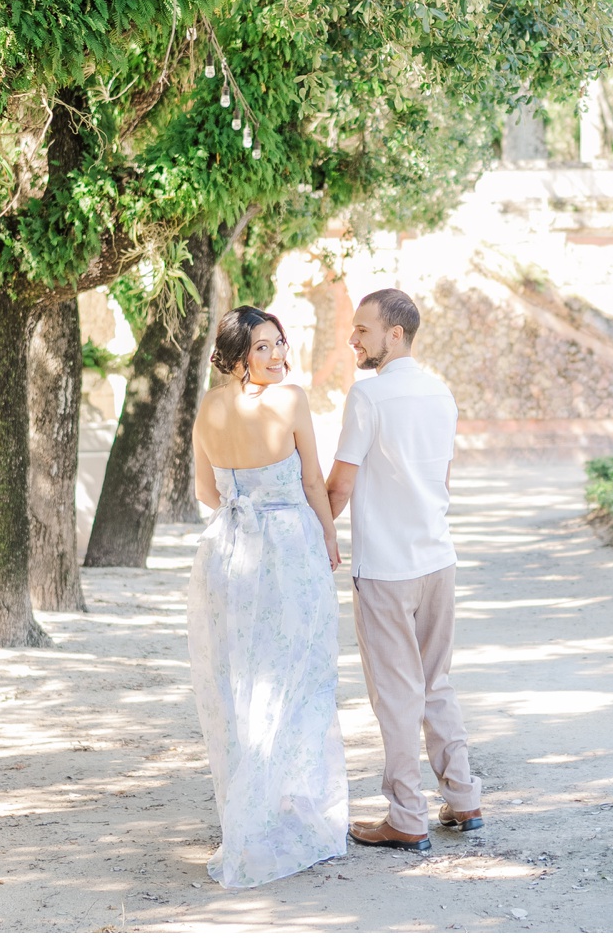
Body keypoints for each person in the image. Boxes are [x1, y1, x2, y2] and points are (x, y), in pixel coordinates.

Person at [186, 305, 348, 888]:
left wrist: (242, 506)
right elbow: (311, 481)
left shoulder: (207, 407)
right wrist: (329, 535)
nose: (278, 355)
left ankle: (246, 815)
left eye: (279, 344)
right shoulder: (292, 401)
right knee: (298, 676)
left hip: (228, 555)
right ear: (235, 357)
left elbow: (208, 491)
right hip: (288, 551)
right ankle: (284, 810)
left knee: (241, 682)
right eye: (262, 348)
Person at [326, 288, 483, 852]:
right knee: (436, 683)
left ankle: (407, 816)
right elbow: (443, 480)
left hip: (387, 568)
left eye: (363, 330)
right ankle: (463, 798)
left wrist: (315, 529)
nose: (353, 339)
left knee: (396, 694)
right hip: (438, 560)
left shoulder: (367, 398)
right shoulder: (441, 393)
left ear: (395, 334)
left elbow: (340, 484)